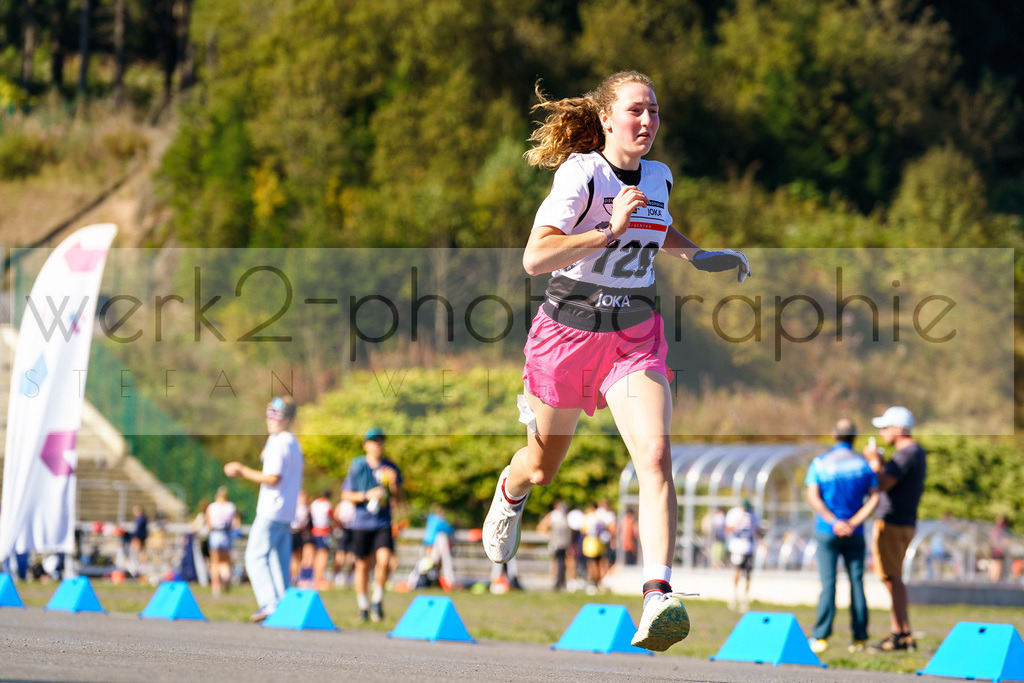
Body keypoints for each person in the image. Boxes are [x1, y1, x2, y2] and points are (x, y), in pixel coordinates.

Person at [480, 70, 751, 652]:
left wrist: (696, 253)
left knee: (655, 455)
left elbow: (658, 226)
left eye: (654, 110)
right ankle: (511, 490)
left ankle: (658, 595)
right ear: (606, 119)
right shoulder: (580, 174)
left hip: (633, 334)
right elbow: (536, 257)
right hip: (566, 335)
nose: (648, 121)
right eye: (635, 111)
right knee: (543, 466)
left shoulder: (659, 176)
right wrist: (609, 229)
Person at [224, 396, 304, 623]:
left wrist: (241, 470)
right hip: (286, 511)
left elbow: (272, 477)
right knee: (279, 562)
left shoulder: (280, 442)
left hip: (272, 509)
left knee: (255, 556)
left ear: (287, 419)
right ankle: (283, 605)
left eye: (276, 415)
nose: (270, 419)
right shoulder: (292, 442)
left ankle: (270, 602)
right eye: (269, 413)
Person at [805, 418, 880, 654]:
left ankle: (820, 637)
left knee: (828, 583)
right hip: (855, 533)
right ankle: (859, 639)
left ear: (833, 435)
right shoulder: (863, 464)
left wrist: (833, 520)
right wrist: (853, 522)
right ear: (855, 438)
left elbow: (813, 497)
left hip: (827, 531)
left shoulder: (820, 463)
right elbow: (875, 498)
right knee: (857, 583)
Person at [864, 406, 926, 653]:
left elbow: (882, 484)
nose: (882, 433)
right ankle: (899, 632)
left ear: (899, 429)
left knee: (893, 578)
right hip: (904, 520)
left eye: (886, 427)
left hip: (893, 521)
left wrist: (873, 462)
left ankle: (902, 634)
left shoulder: (905, 454)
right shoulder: (914, 452)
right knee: (891, 577)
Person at [341, 427, 404, 623]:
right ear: (365, 445)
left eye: (380, 441)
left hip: (382, 522)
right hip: (361, 523)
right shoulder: (358, 465)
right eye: (374, 441)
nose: (378, 445)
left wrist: (393, 485)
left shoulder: (390, 467)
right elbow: (346, 495)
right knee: (362, 565)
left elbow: (400, 498)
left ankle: (377, 599)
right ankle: (363, 606)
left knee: (384, 560)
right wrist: (367, 495)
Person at [725, 499, 761, 611]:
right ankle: (734, 595)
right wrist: (739, 521)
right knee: (737, 571)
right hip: (737, 547)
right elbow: (728, 529)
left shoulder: (753, 515)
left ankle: (745, 598)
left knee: (748, 574)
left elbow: (756, 530)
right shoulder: (734, 513)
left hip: (749, 548)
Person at [205, 487, 238, 596]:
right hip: (226, 534)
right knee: (225, 561)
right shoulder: (231, 507)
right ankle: (226, 576)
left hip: (215, 534)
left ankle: (216, 587)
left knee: (214, 562)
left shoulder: (212, 507)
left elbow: (209, 523)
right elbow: (235, 523)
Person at [537, 500, 572, 590]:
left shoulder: (566, 515)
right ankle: (556, 580)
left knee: (563, 562)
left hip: (564, 543)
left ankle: (562, 581)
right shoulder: (554, 515)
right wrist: (550, 536)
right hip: (556, 543)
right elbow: (541, 527)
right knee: (556, 562)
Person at [309, 490, 334, 590]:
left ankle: (315, 578)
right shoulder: (327, 504)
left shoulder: (314, 503)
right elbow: (331, 517)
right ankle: (319, 579)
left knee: (317, 555)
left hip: (314, 530)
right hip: (324, 531)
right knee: (323, 555)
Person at [290, 490, 314, 587]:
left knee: (299, 556)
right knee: (294, 556)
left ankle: (299, 575)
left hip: (300, 533)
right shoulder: (294, 507)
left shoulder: (306, 509)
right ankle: (294, 576)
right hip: (293, 533)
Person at [989, 515, 1011, 583]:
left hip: (995, 551)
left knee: (994, 564)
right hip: (999, 551)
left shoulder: (995, 529)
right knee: (998, 565)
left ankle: (993, 580)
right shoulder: (1003, 529)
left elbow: (992, 540)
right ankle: (996, 580)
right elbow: (1006, 541)